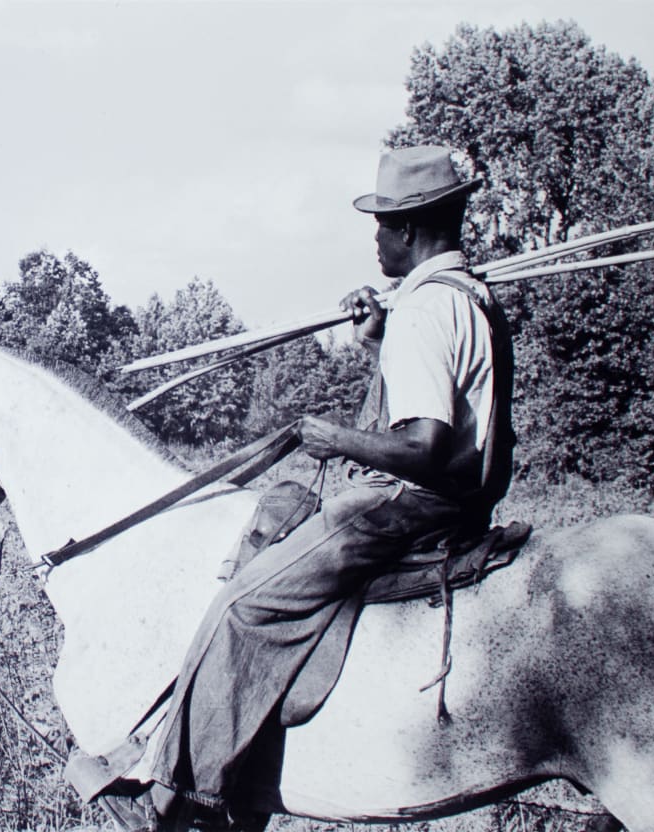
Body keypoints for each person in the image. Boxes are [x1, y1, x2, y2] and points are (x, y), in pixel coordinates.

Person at [103, 145, 516, 831]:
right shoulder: (464, 296)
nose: (376, 240)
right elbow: (438, 395)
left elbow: (425, 445)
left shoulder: (426, 309)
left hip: (406, 505)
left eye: (381, 225)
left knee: (248, 603)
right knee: (271, 520)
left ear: (409, 228)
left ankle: (184, 797)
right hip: (460, 498)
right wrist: (378, 337)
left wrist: (331, 438)